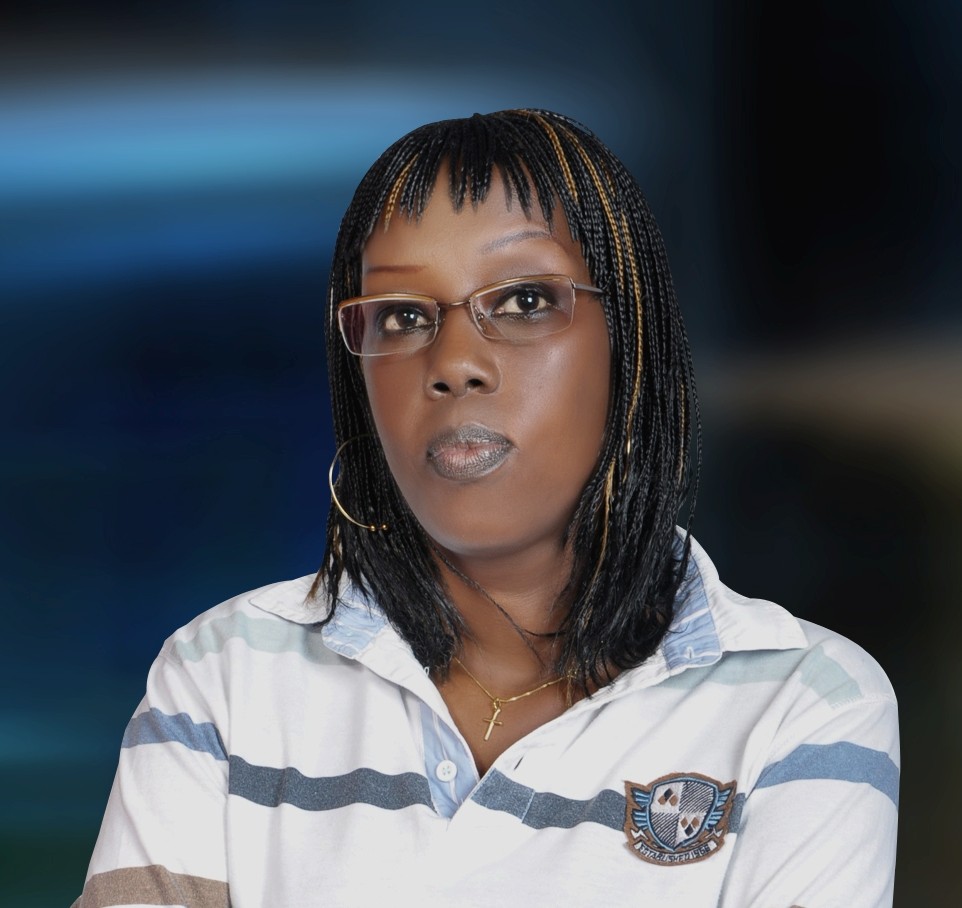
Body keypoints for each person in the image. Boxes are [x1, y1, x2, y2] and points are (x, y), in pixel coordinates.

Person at [73, 109, 899, 907]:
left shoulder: (803, 701)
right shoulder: (224, 676)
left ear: (632, 338)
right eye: (402, 316)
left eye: (524, 301)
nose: (454, 363)